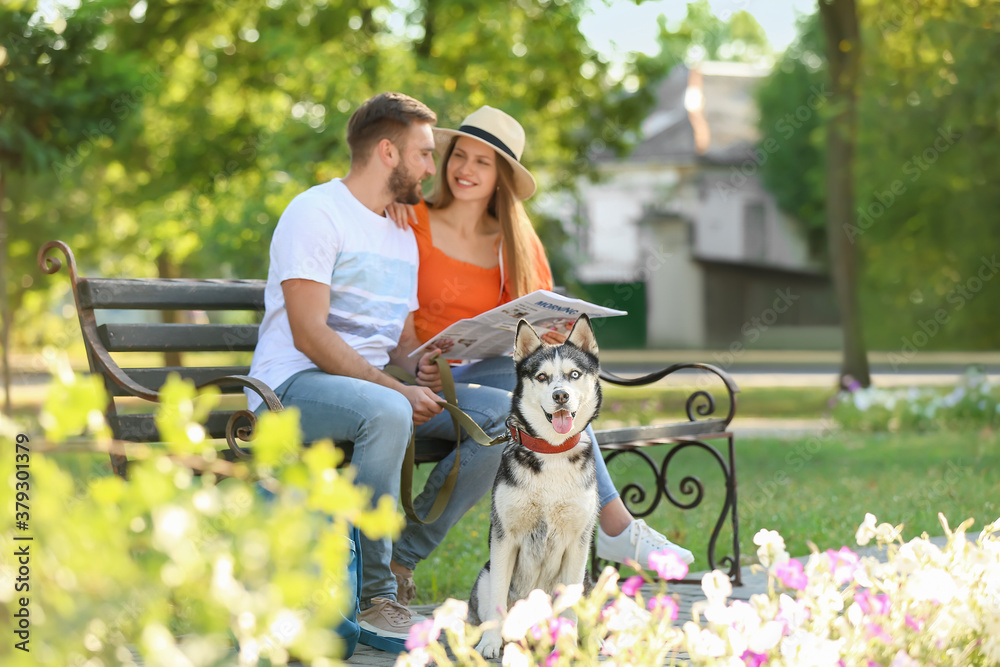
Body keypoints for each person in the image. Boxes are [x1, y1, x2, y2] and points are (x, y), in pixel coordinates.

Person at [385, 105, 694, 604]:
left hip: (488, 383)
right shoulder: (408, 220)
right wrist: (411, 363)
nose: (465, 169)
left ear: (502, 176)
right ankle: (617, 525)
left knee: (533, 395)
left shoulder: (516, 240)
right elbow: (389, 322)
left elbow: (544, 342)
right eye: (459, 156)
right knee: (512, 412)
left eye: (483, 163)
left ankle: (606, 528)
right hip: (423, 385)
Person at [246, 92, 511, 642]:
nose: (431, 168)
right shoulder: (315, 212)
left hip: (371, 396)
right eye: (422, 154)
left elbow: (399, 344)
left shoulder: (398, 232)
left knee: (508, 417)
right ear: (388, 152)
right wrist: (396, 388)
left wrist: (427, 362)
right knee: (389, 409)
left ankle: (400, 557)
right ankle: (374, 597)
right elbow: (309, 333)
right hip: (289, 389)